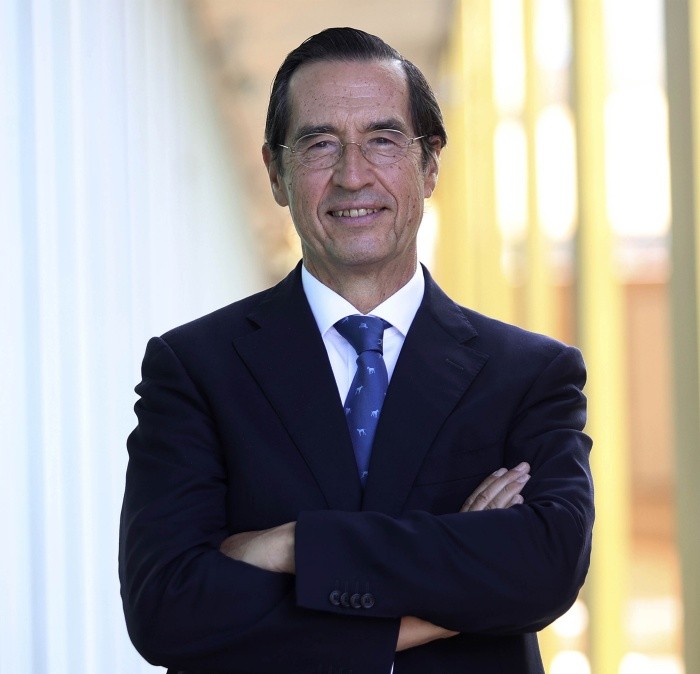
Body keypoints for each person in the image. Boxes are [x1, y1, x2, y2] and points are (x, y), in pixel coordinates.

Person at [119, 27, 593, 674]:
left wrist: (296, 546)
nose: (352, 175)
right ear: (276, 173)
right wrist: (453, 591)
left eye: (382, 140)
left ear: (430, 166)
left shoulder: (530, 375)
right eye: (320, 144)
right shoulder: (194, 370)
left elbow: (547, 566)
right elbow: (167, 607)